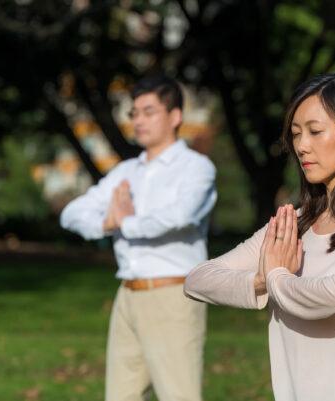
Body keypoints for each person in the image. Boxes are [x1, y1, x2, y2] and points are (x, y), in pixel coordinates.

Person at [184, 69, 335, 401]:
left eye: (315, 131)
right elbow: (198, 279)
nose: (302, 146)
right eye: (295, 134)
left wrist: (277, 279)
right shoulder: (296, 222)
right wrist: (261, 282)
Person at [60, 75, 217, 401]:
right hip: (127, 295)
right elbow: (72, 213)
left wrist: (124, 223)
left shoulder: (196, 168)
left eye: (149, 111)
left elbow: (179, 216)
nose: (139, 120)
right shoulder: (125, 171)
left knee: (179, 395)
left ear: (175, 117)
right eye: (134, 113)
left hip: (173, 294)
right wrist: (107, 221)